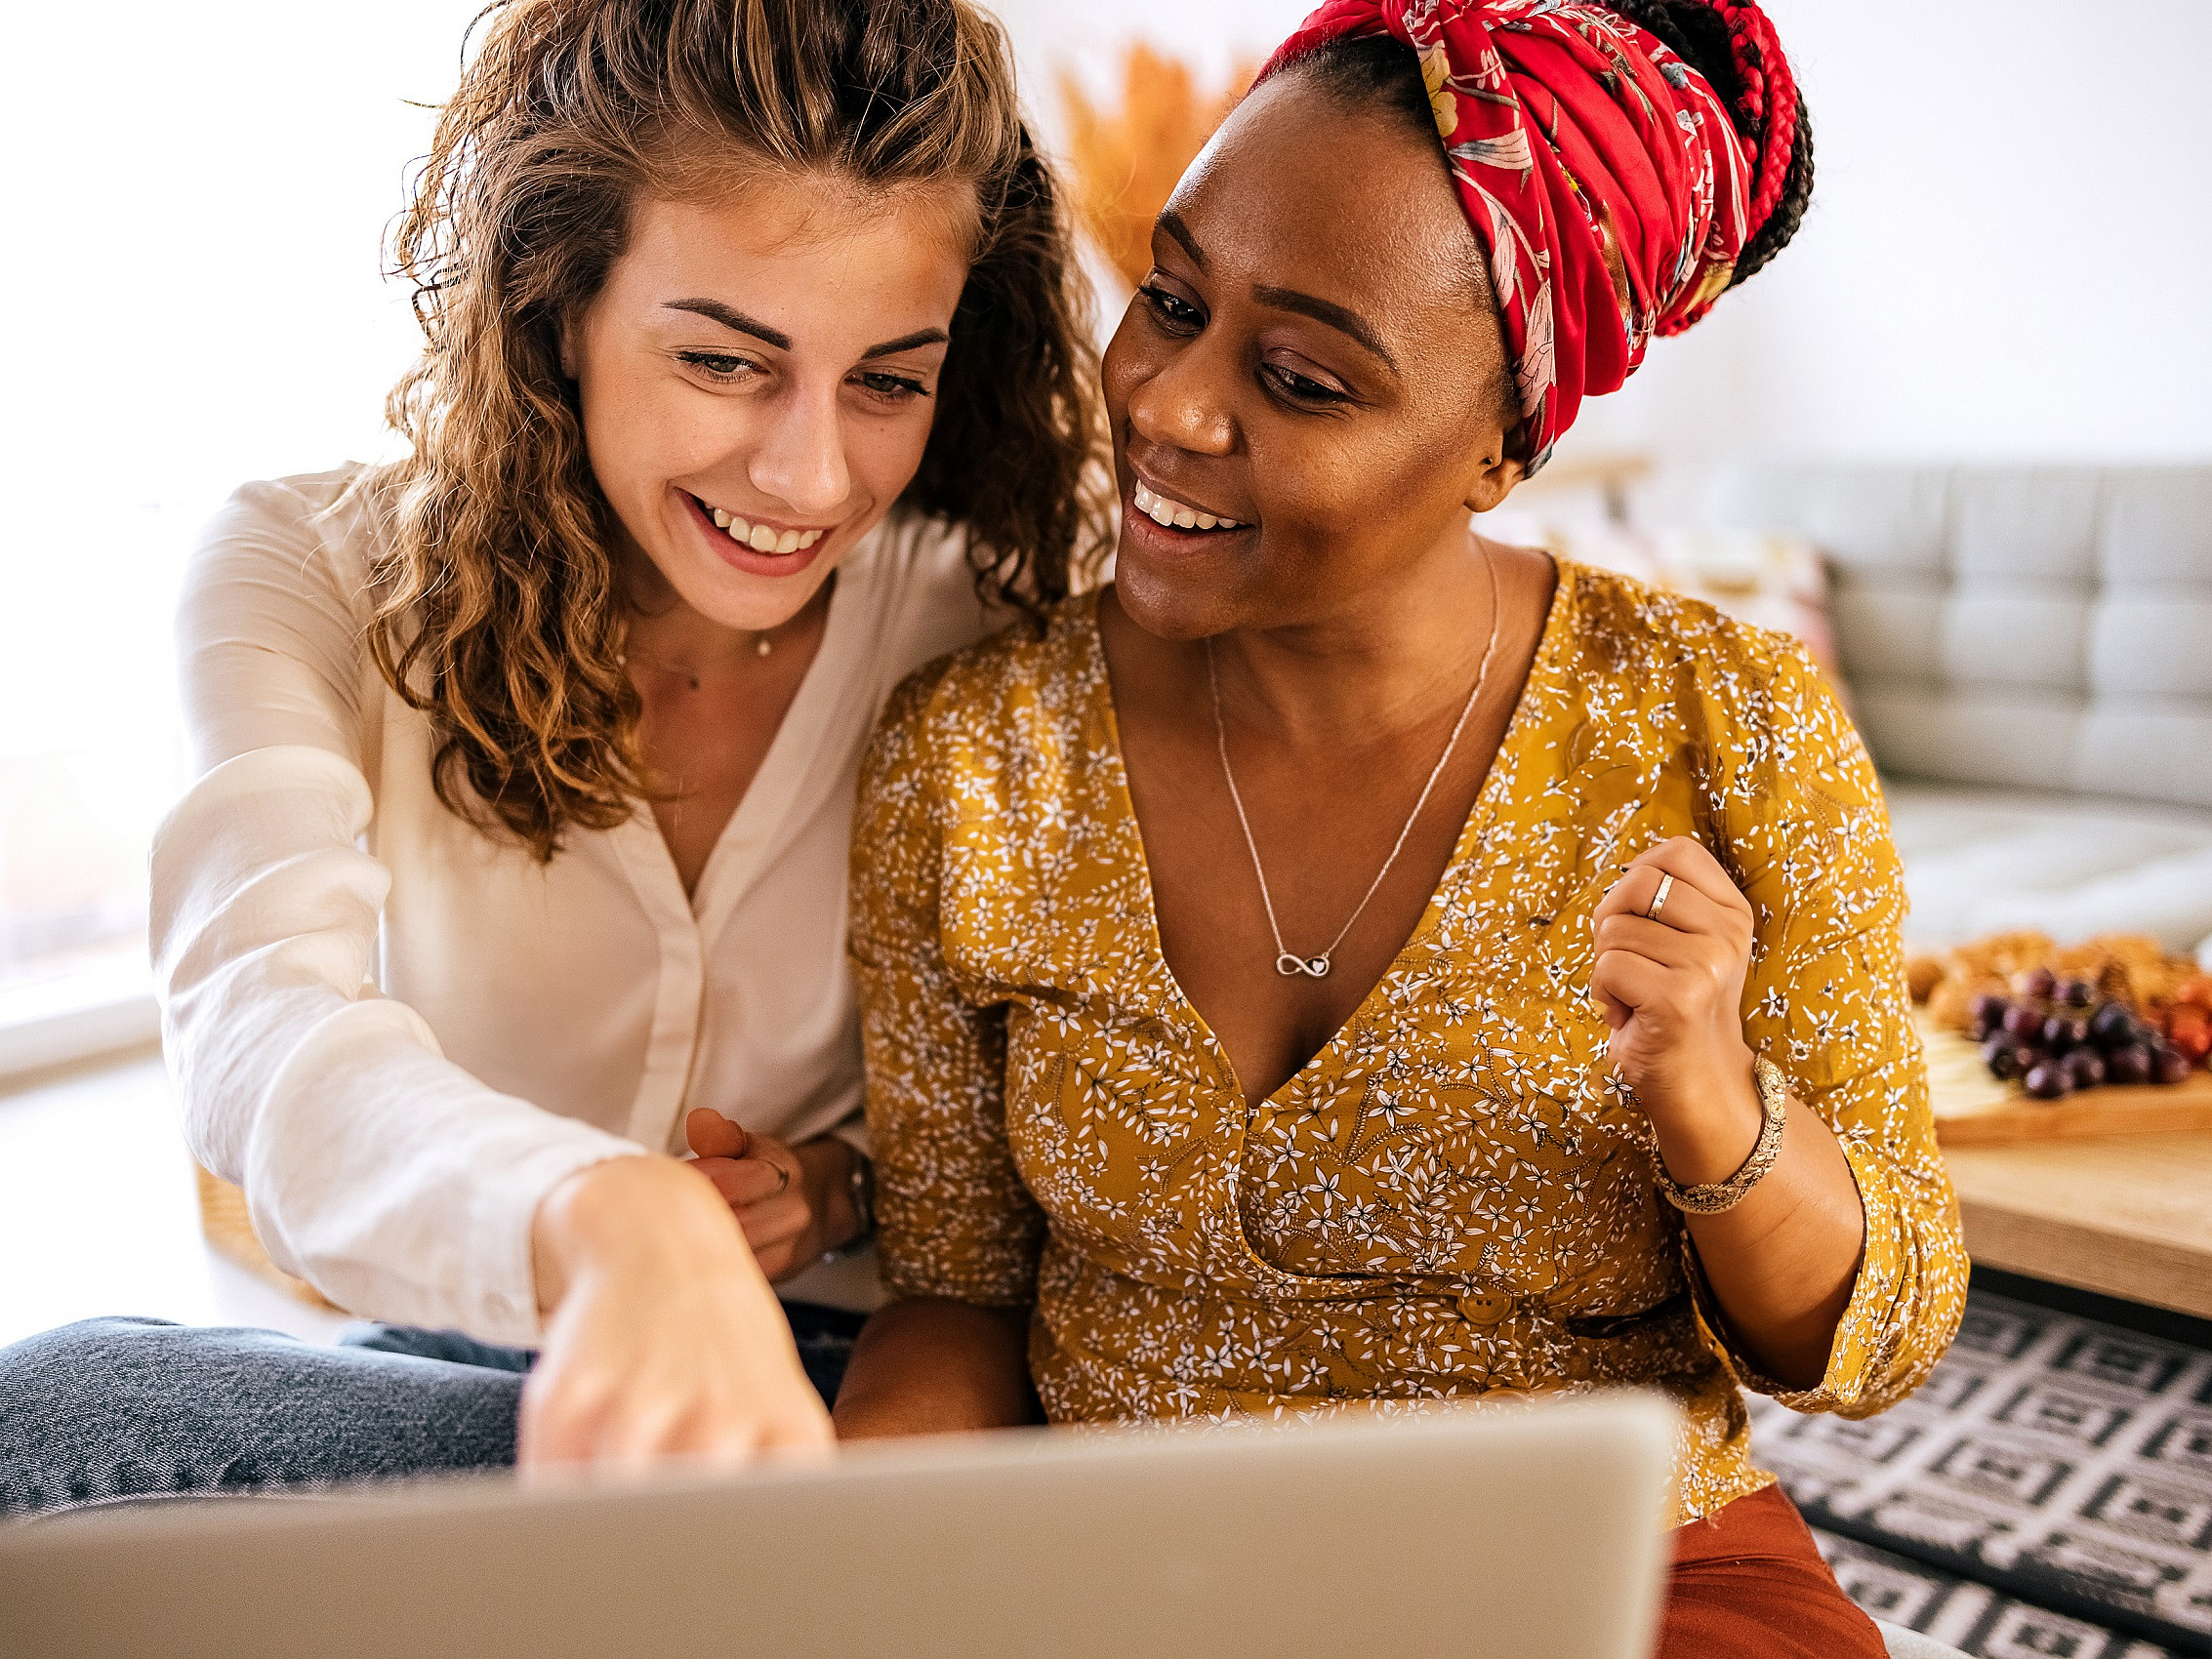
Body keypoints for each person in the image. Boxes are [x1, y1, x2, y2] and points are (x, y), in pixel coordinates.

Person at [830, 3, 1964, 1654]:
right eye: (1168, 297)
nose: (1166, 406)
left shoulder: (1729, 728)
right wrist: (834, 1559)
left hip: (1607, 1574)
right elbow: (955, 1295)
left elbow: (1873, 1337)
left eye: (1298, 376)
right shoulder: (972, 753)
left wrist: (1712, 1104)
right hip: (1132, 1575)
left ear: (1503, 444)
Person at [0, 0, 1106, 1512]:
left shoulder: (996, 606)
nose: (809, 473)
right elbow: (263, 1047)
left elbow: (1054, 1139)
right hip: (475, 1375)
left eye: (886, 380)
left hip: (887, 1388)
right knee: (47, 1411)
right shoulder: (301, 570)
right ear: (556, 303)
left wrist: (839, 1186)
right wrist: (610, 1220)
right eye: (724, 362)